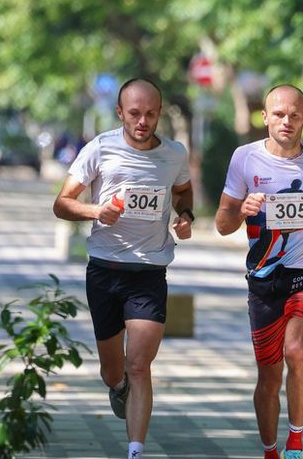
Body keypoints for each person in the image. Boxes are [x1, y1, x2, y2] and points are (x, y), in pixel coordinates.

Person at [52, 78, 194, 459]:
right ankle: (116, 388)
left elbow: (182, 191)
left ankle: (135, 451)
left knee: (139, 365)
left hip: (149, 271)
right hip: (104, 270)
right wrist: (97, 210)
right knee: (114, 371)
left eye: (150, 114)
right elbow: (62, 203)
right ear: (120, 113)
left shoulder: (174, 154)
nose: (143, 121)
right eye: (135, 113)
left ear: (159, 114)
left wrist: (185, 215)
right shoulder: (100, 148)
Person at [215, 84, 303, 459]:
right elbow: (222, 224)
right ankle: (270, 450)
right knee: (269, 374)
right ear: (265, 117)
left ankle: (295, 442)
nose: (286, 121)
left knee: (295, 349)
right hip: (263, 279)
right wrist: (242, 209)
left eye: (294, 115)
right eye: (278, 114)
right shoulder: (245, 159)